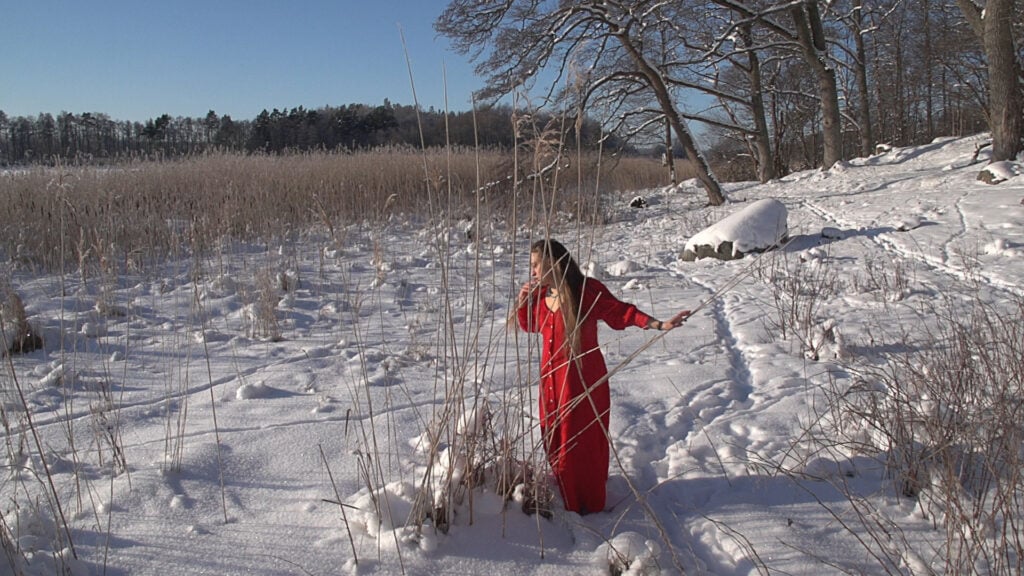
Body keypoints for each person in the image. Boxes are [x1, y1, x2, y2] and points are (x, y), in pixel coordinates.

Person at [516, 239, 690, 514]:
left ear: (552, 263)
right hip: (551, 380)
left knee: (578, 441)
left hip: (582, 380)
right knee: (554, 436)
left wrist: (659, 324)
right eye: (532, 266)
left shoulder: (585, 291)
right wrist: (524, 300)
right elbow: (529, 325)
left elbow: (621, 312)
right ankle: (564, 495)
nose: (533, 271)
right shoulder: (542, 296)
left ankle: (584, 504)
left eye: (536, 265)